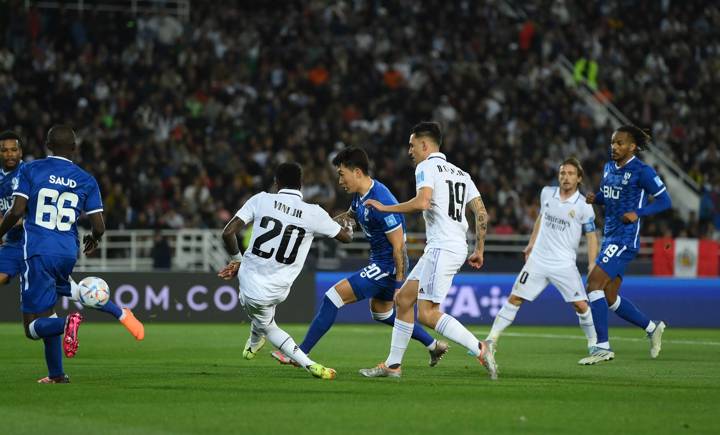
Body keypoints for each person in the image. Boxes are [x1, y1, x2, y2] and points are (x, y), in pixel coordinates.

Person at [271, 147, 448, 368]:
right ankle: (433, 345)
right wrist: (315, 226)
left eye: (341, 174)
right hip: (381, 263)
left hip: (387, 265)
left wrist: (398, 285)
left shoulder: (381, 200)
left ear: (357, 172)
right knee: (382, 315)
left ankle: (299, 354)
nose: (339, 181)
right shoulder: (359, 197)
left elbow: (399, 246)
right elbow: (349, 218)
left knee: (332, 297)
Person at [0, 125, 141, 384]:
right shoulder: (86, 179)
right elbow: (99, 226)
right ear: (74, 148)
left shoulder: (31, 169)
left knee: (32, 327)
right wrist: (94, 239)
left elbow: (17, 211)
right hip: (67, 251)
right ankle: (58, 374)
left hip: (37, 251)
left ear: (47, 144)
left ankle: (69, 323)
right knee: (58, 304)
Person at [359, 121, 498, 379]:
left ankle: (480, 347)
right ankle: (393, 365)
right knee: (403, 300)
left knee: (427, 313)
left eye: (412, 146)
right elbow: (481, 212)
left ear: (425, 145)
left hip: (443, 247)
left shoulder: (426, 166)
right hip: (451, 245)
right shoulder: (461, 173)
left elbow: (422, 202)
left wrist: (385, 208)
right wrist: (479, 248)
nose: (410, 151)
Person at [218, 162, 353, 380]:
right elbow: (346, 238)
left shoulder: (261, 199)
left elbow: (227, 233)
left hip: (250, 285)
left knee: (266, 323)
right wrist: (349, 225)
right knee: (263, 316)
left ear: (276, 183)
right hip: (280, 288)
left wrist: (236, 261)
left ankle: (296, 358)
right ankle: (265, 348)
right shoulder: (314, 213)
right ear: (301, 184)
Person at [579, 125, 672, 365]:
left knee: (593, 284)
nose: (614, 147)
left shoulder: (643, 171)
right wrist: (596, 199)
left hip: (625, 239)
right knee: (609, 295)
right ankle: (652, 327)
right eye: (612, 142)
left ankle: (602, 346)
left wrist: (638, 213)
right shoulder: (609, 167)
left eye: (620, 143)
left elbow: (665, 201)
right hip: (609, 236)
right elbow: (609, 197)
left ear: (632, 146)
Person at [486, 157, 599, 353]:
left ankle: (594, 344)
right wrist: (531, 244)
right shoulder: (547, 193)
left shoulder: (584, 205)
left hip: (563, 263)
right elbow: (541, 217)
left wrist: (592, 263)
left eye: (571, 174)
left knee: (580, 305)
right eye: (563, 173)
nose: (566, 177)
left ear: (579, 178)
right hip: (538, 259)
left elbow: (591, 236)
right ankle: (490, 340)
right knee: (514, 298)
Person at [0, 131, 26, 287]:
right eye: (4, 150)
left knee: (69, 290)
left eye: (13, 150)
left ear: (20, 152)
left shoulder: (30, 172)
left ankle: (115, 311)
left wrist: (5, 226)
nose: (9, 154)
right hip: (12, 245)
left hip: (34, 242)